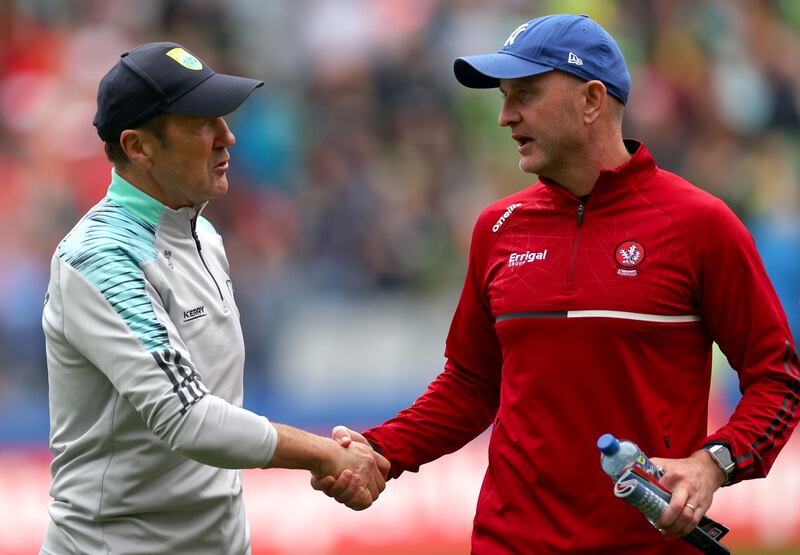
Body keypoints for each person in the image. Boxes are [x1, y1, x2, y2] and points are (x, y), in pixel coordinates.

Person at [312, 14, 800, 554]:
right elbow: (471, 384)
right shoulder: (495, 228)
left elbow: (776, 378)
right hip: (508, 543)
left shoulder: (698, 225)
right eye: (503, 96)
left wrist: (713, 465)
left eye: (525, 93)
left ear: (592, 100)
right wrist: (381, 450)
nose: (504, 116)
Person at [40, 42, 388, 555]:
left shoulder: (202, 233)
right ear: (138, 146)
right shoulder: (100, 259)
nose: (227, 137)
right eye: (201, 122)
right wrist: (324, 455)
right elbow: (189, 417)